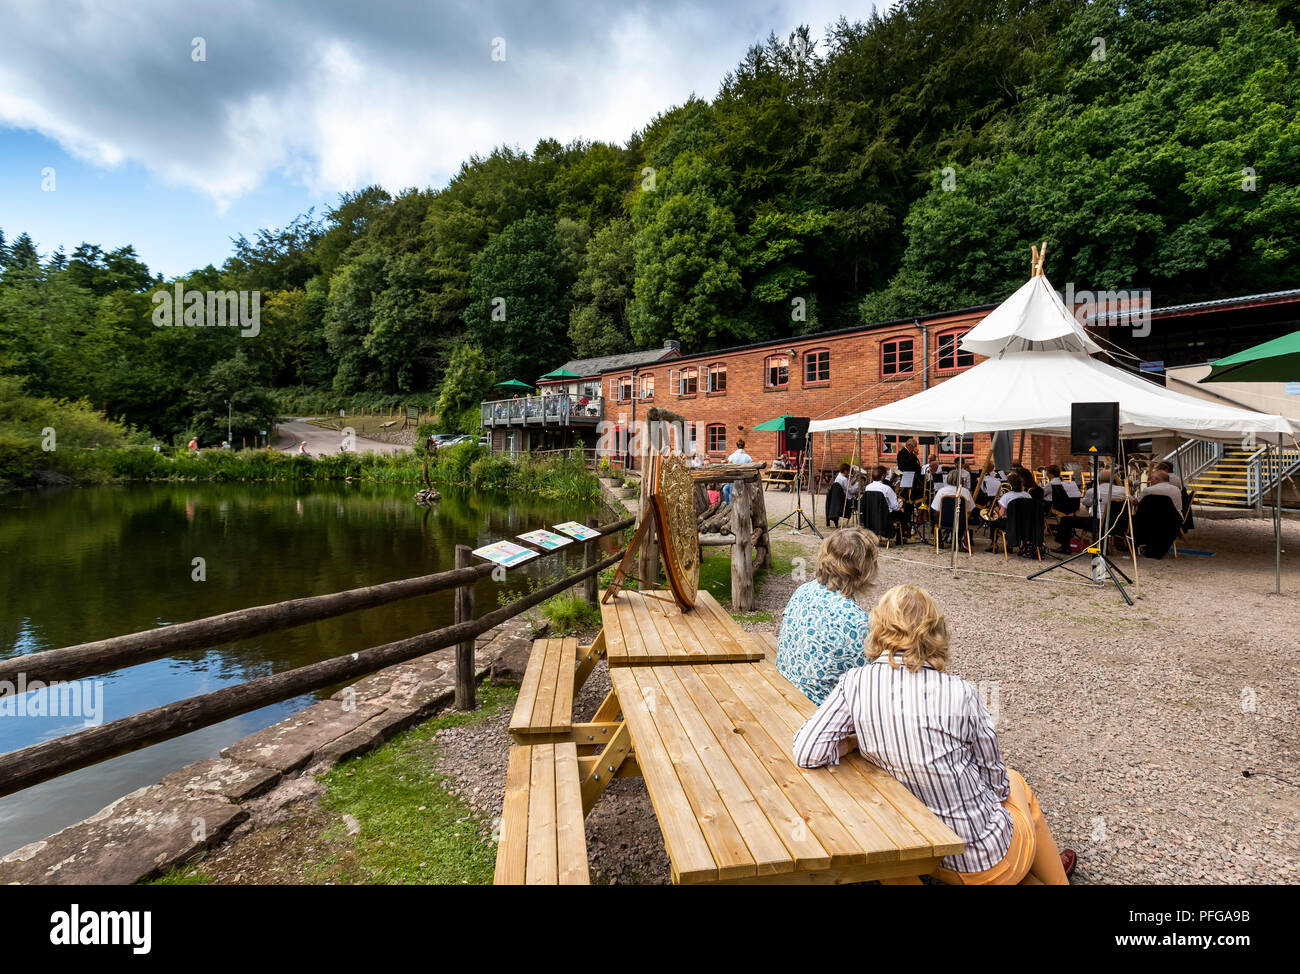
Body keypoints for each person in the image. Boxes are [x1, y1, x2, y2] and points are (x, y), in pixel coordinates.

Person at [793, 584, 1075, 884]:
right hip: (982, 861)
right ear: (934, 631)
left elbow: (807, 751)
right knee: (1017, 783)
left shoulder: (856, 683)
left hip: (920, 852)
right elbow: (997, 784)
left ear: (879, 626)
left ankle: (1033, 867)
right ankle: (1053, 874)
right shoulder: (962, 693)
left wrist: (852, 743)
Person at [775, 527, 878, 705]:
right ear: (863, 569)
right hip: (819, 715)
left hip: (786, 690)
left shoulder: (804, 590)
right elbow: (868, 688)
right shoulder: (856, 622)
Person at [1054, 468, 1124, 552]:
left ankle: (1065, 547)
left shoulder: (1094, 491)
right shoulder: (1123, 490)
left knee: (1066, 520)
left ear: (1099, 479)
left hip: (1097, 523)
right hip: (1118, 524)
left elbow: (1084, 503)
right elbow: (1133, 501)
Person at [826, 462, 860, 528]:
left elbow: (847, 488)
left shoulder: (838, 477)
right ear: (845, 471)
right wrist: (858, 484)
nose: (849, 473)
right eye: (848, 471)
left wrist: (851, 482)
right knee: (859, 503)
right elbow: (851, 491)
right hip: (845, 501)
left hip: (839, 500)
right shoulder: (844, 479)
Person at [722, 437, 752, 504]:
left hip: (733, 478)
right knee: (727, 489)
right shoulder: (747, 457)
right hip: (744, 478)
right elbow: (751, 468)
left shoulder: (732, 456)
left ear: (737, 446)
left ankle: (728, 504)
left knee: (726, 489)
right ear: (744, 446)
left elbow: (728, 468)